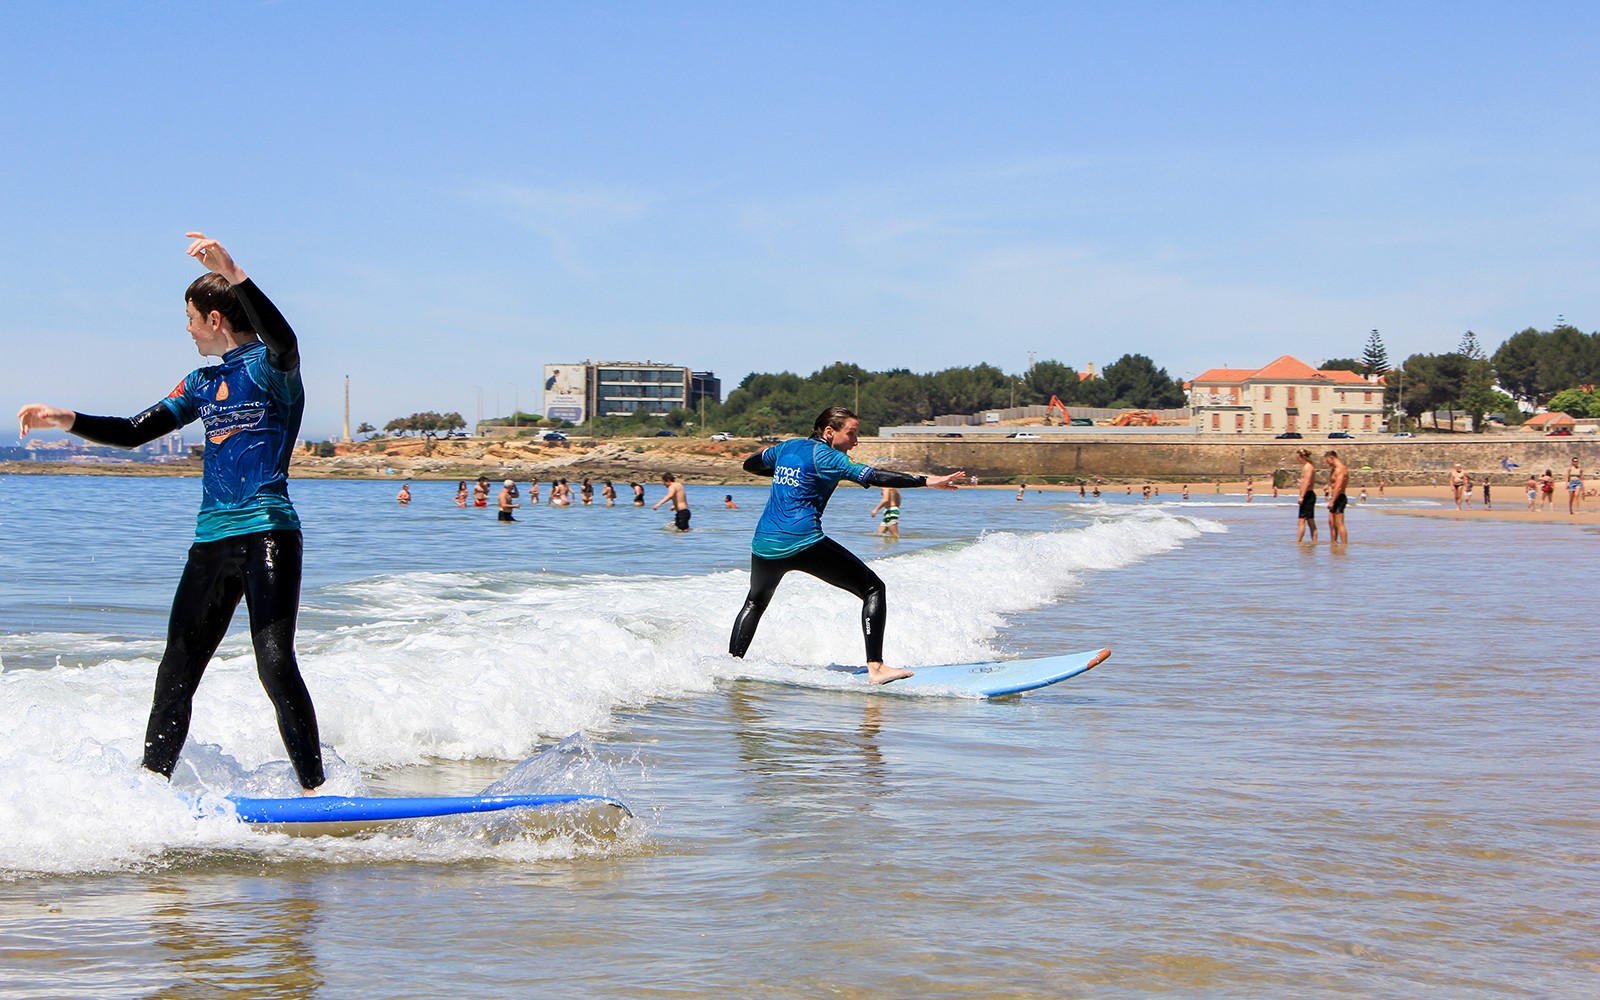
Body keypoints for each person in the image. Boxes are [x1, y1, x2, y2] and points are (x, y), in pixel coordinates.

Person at [16, 233, 325, 790]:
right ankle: (151, 789)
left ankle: (316, 791)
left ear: (213, 319)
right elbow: (135, 431)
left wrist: (235, 273)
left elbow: (286, 340)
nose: (186, 329)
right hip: (210, 542)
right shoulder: (202, 383)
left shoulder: (269, 370)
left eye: (189, 318)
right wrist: (67, 420)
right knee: (176, 669)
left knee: (275, 664)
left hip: (268, 534)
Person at [729, 406, 966, 683]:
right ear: (830, 432)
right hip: (803, 541)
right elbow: (875, 476)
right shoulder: (829, 457)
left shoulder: (787, 447)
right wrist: (927, 481)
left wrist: (793, 475)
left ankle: (731, 665)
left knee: (755, 602)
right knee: (873, 588)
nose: (856, 441)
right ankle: (876, 668)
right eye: (851, 433)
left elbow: (750, 465)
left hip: (764, 543)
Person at [1324, 451, 1349, 544]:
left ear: (1332, 458)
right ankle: (1333, 543)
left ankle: (1344, 544)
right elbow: (1333, 484)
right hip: (1334, 497)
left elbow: (1339, 487)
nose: (1327, 463)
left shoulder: (1340, 469)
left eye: (1327, 461)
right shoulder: (1334, 469)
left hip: (1339, 497)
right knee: (1331, 523)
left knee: (1339, 523)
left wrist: (1332, 501)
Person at [1294, 448, 1318, 543]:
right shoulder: (1307, 467)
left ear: (1302, 457)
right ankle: (1314, 542)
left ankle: (1298, 542)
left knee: (1302, 520)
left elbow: (1307, 482)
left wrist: (1302, 496)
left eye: (1298, 458)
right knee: (1309, 520)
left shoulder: (1308, 467)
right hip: (1307, 494)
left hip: (1308, 495)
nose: (1298, 460)